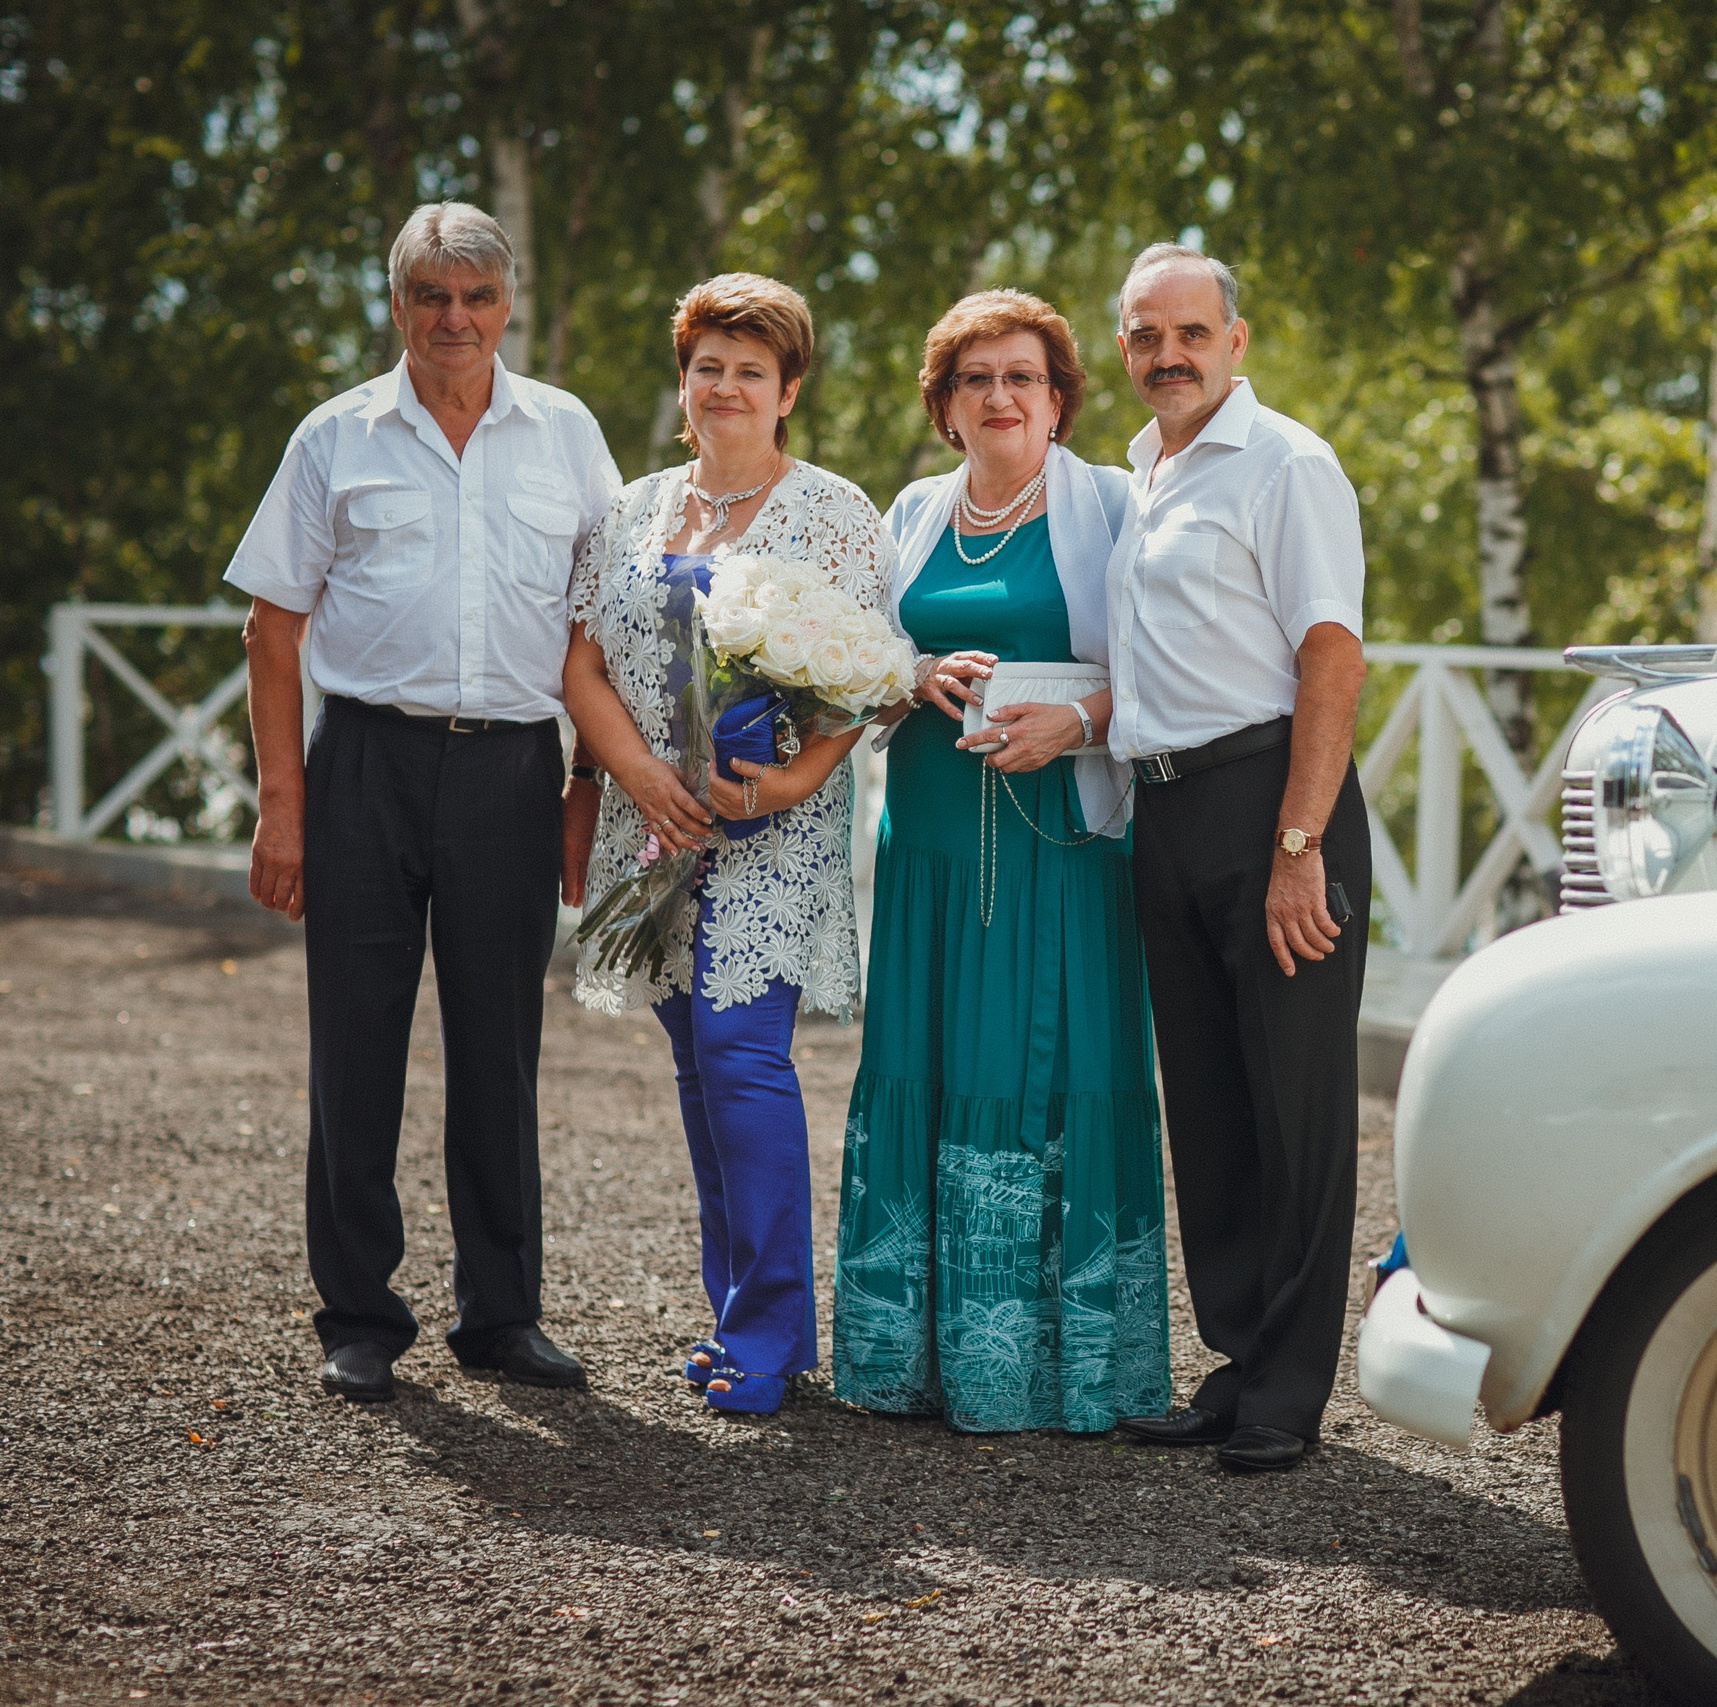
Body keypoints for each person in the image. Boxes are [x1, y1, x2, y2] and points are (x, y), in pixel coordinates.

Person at [227, 202, 621, 1402]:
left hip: (511, 773)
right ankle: (358, 1314)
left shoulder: (565, 433)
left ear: (510, 305)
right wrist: (281, 807)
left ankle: (501, 1315)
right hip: (363, 772)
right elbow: (273, 628)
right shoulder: (333, 437)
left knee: (498, 1051)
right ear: (396, 305)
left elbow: (598, 625)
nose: (455, 319)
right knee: (355, 1046)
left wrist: (583, 784)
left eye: (477, 296)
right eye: (431, 296)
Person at [832, 289, 1171, 1434]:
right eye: (974, 378)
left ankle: (1058, 1371)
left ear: (1061, 397)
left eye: (1021, 375)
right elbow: (860, 661)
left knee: (1051, 1066)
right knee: (924, 1064)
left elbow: (1177, 674)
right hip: (927, 841)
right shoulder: (915, 512)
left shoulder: (1113, 509)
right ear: (943, 404)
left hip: (1060, 848)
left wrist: (1073, 726)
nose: (999, 396)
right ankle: (907, 1360)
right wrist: (908, 674)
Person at [561, 273, 884, 1415]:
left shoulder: (835, 512)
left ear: (788, 389)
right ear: (683, 382)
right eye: (709, 367)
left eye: (752, 370)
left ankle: (771, 1333)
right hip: (651, 826)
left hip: (772, 832)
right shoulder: (635, 510)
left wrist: (786, 782)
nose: (727, 387)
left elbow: (866, 679)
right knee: (697, 1066)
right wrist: (643, 781)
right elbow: (583, 666)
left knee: (745, 1062)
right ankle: (735, 1312)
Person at [1104, 245, 1370, 1473]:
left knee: (1295, 1108)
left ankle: (1292, 1391)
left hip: (1275, 806)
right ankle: (1236, 1357)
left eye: (1191, 333)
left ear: (1236, 340)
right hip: (1164, 814)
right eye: (1146, 335)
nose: (1170, 354)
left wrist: (1299, 846)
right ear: (1124, 349)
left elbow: (1331, 657)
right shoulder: (1141, 472)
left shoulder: (1288, 465)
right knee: (1208, 1106)